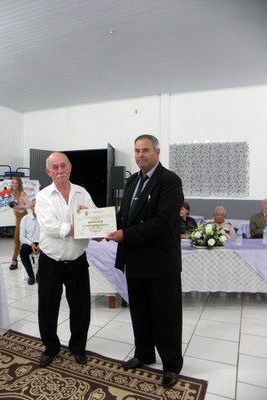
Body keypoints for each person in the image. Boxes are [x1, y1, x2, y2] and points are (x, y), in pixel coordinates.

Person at [107, 134, 184, 389]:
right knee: (139, 312)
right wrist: (102, 228)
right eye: (137, 150)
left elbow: (163, 223)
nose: (140, 155)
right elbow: (125, 218)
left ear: (157, 152)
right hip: (135, 260)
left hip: (161, 263)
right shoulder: (131, 182)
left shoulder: (170, 181)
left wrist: (125, 234)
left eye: (145, 150)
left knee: (166, 315)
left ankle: (171, 364)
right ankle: (144, 353)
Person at [35, 152, 96, 368]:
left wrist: (94, 224)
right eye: (55, 167)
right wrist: (80, 227)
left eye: (63, 166)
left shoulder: (83, 193)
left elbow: (95, 218)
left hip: (78, 261)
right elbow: (50, 227)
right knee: (48, 308)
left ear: (70, 168)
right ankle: (51, 347)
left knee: (81, 308)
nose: (60, 170)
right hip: (51, 262)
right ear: (48, 172)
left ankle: (77, 347)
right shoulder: (43, 197)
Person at [9, 176, 31, 270]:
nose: (14, 185)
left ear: (19, 184)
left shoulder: (22, 193)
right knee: (17, 240)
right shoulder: (13, 193)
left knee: (17, 240)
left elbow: (29, 204)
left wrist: (19, 206)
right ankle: (17, 259)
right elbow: (13, 205)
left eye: (16, 183)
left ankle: (14, 260)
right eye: (13, 183)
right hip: (17, 218)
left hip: (23, 217)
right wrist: (12, 205)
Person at [19, 198, 40, 285]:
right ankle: (31, 275)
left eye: (36, 205)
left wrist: (41, 245)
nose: (34, 207)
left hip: (42, 242)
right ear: (30, 208)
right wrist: (31, 244)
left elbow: (48, 234)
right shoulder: (25, 219)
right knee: (23, 252)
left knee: (47, 253)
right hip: (29, 242)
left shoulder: (45, 218)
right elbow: (22, 237)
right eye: (33, 206)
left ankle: (39, 275)